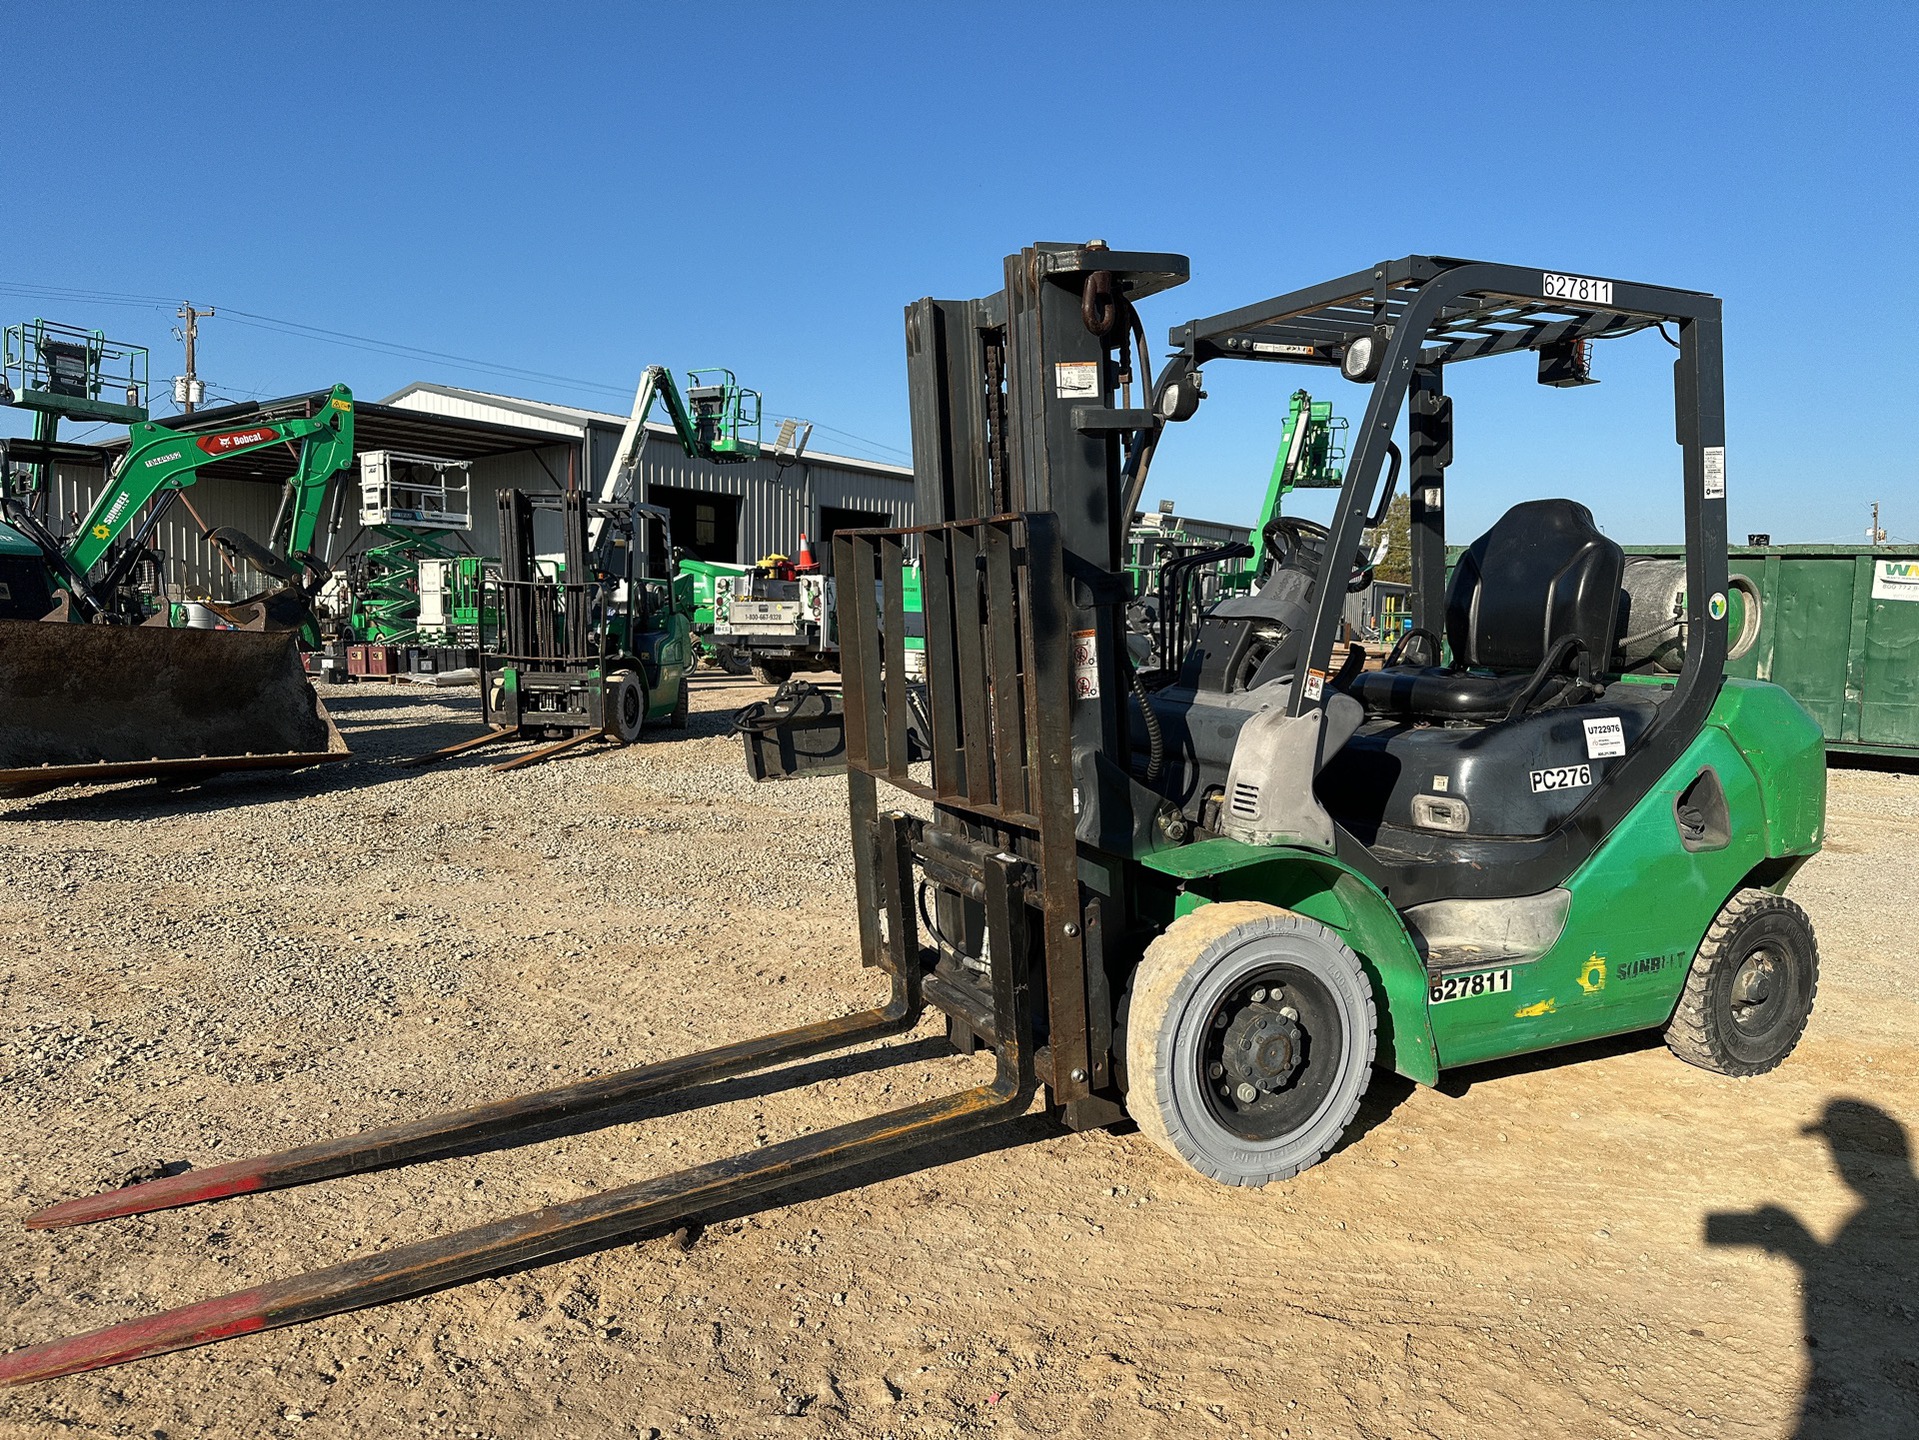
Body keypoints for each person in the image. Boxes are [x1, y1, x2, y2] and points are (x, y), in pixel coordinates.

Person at [1705, 1099, 1918, 1437]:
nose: (1831, 1154)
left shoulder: (1863, 1218)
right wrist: (1801, 1250)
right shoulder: (1865, 1218)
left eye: (1833, 1144)